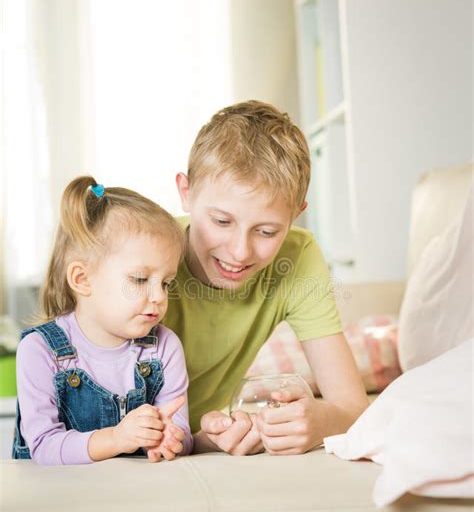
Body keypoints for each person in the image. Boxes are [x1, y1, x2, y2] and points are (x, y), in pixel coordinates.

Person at [154, 100, 369, 457]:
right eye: (222, 222)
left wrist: (320, 421)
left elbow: (353, 407)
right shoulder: (148, 256)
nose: (239, 252)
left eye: (267, 231)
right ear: (186, 192)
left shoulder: (297, 258)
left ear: (296, 215)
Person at [13, 176, 192, 465]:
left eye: (166, 283)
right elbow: (44, 447)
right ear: (82, 279)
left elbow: (182, 431)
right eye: (140, 279)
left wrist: (170, 439)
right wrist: (117, 438)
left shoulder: (164, 347)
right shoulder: (39, 351)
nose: (158, 296)